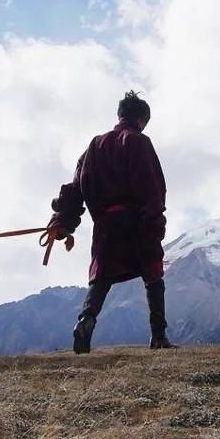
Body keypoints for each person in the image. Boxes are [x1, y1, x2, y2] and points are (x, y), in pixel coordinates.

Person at [47, 91, 175, 353]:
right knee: (152, 275)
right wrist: (154, 223)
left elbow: (74, 189)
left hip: (105, 224)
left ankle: (86, 319)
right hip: (137, 221)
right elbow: (151, 187)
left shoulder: (94, 147)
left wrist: (63, 222)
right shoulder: (138, 142)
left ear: (120, 116)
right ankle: (158, 336)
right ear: (142, 120)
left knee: (101, 277)